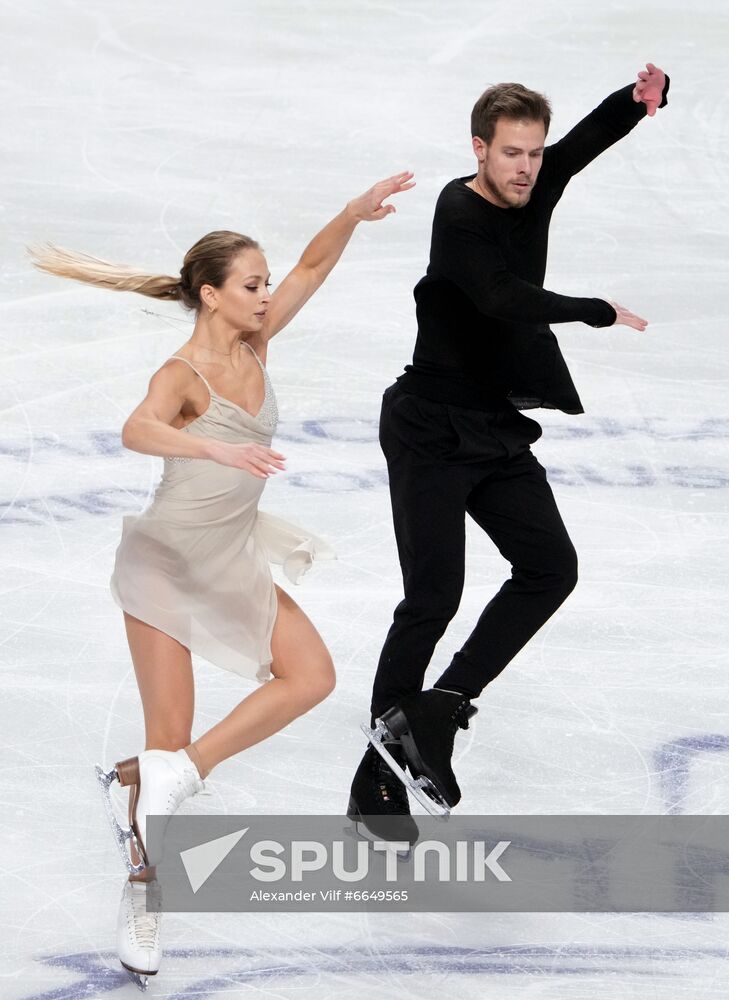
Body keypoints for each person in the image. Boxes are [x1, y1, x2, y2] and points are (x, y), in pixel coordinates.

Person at [30, 170, 414, 989]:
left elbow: (312, 268)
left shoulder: (257, 343)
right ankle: (143, 894)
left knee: (309, 676)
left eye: (266, 282)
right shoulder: (183, 374)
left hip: (233, 553)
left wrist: (348, 212)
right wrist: (214, 446)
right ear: (211, 296)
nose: (268, 294)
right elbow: (136, 430)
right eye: (251, 284)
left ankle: (156, 776)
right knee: (165, 730)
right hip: (166, 564)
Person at [349, 64, 669, 841]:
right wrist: (594, 310)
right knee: (432, 597)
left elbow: (586, 141)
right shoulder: (458, 210)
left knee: (549, 567)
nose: (526, 167)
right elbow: (498, 295)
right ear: (479, 150)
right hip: (427, 426)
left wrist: (633, 104)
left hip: (491, 428)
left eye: (532, 152)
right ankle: (376, 784)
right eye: (510, 153)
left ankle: (441, 707)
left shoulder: (539, 175)